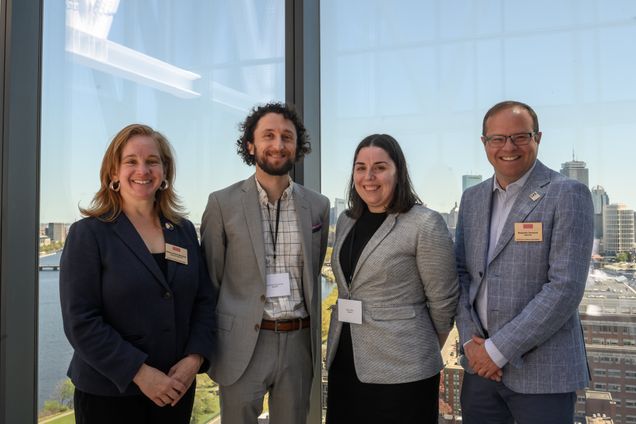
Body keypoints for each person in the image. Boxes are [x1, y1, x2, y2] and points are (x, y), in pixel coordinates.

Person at [60, 124, 215, 424]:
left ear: (165, 171)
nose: (142, 169)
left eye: (152, 161)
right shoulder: (89, 234)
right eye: (131, 161)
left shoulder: (182, 231)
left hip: (174, 390)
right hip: (109, 395)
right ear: (113, 173)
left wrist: (193, 360)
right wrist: (140, 374)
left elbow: (204, 302)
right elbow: (81, 322)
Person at [455, 101, 594, 424]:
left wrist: (497, 350)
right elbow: (461, 273)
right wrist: (469, 342)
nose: (508, 147)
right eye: (497, 138)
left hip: (543, 374)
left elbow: (564, 288)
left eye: (520, 137)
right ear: (484, 143)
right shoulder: (472, 198)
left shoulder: (567, 194)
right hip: (479, 370)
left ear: (538, 138)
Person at [200, 102, 330, 423]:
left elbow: (312, 274)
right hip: (242, 343)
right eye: (268, 135)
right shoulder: (221, 204)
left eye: (287, 136)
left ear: (297, 146)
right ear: (250, 144)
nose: (278, 144)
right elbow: (211, 281)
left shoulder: (317, 206)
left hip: (299, 342)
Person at [325, 134, 458, 423]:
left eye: (380, 167)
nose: (369, 177)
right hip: (345, 360)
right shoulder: (347, 220)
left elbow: (443, 302)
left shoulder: (424, 223)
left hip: (403, 368)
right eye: (360, 167)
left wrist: (415, 349)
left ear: (398, 171)